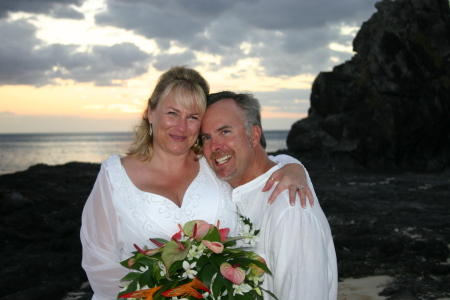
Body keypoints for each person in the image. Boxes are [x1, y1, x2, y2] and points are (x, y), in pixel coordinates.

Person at [80, 66, 312, 300]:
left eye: (192, 117)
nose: (181, 127)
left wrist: (292, 166)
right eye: (172, 113)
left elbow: (256, 164)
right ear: (150, 112)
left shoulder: (213, 165)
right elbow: (99, 263)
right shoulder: (114, 176)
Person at [201, 91, 338, 299]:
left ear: (254, 136)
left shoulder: (290, 210)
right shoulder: (226, 189)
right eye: (206, 137)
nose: (214, 146)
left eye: (225, 132)